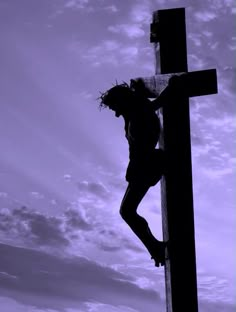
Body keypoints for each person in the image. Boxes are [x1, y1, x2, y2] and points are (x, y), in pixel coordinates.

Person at [98, 79, 178, 267]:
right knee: (126, 211)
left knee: (127, 211)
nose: (117, 114)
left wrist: (174, 85)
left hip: (148, 165)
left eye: (115, 107)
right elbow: (137, 95)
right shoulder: (131, 112)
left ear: (123, 102)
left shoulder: (140, 112)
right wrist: (136, 90)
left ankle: (155, 247)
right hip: (139, 167)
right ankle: (154, 247)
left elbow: (159, 102)